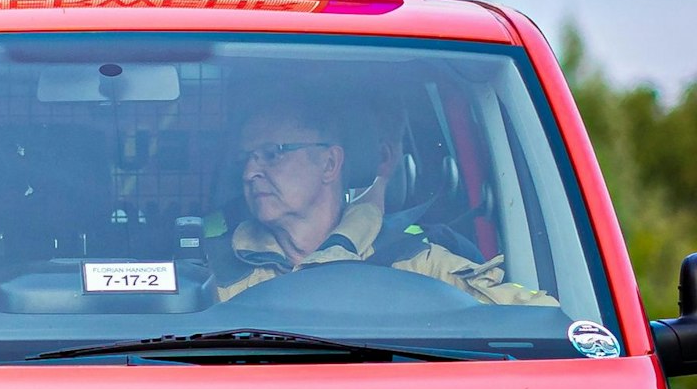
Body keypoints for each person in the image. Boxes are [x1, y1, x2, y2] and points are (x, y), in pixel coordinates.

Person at [215, 97, 556, 304]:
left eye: (272, 153)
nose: (249, 173)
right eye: (246, 159)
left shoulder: (420, 265)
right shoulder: (212, 269)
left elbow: (539, 323)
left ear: (330, 164)